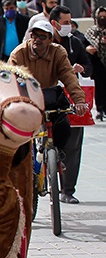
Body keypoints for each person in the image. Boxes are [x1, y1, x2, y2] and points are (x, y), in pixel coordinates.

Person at [8, 16, 89, 167]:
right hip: (27, 97)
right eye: (34, 35)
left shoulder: (58, 52)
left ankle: (57, 154)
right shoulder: (19, 53)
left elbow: (69, 77)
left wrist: (79, 101)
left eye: (42, 36)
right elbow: (9, 79)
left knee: (63, 126)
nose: (37, 40)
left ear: (50, 40)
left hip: (51, 95)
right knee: (17, 134)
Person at [49, 6, 93, 203]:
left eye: (69, 22)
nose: (68, 26)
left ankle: (68, 189)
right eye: (65, 23)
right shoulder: (43, 43)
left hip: (72, 99)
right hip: (49, 99)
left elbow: (89, 67)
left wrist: (81, 68)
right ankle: (45, 180)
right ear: (54, 23)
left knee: (74, 144)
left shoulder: (75, 42)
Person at [85, 6, 106, 120]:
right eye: (100, 16)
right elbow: (89, 43)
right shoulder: (91, 31)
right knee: (99, 87)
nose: (102, 19)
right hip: (97, 64)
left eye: (104, 17)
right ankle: (100, 109)